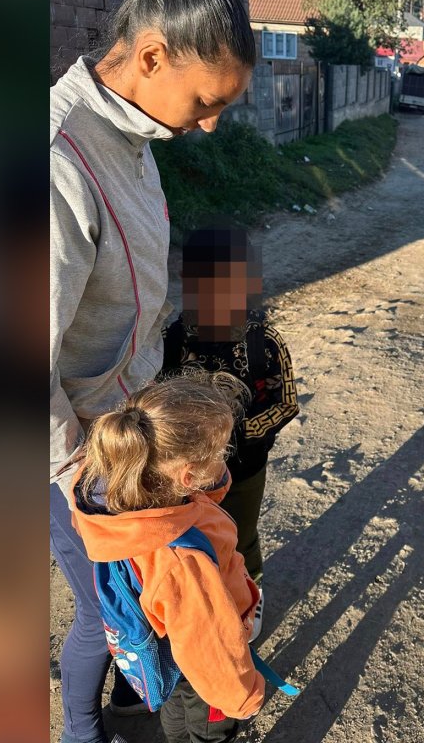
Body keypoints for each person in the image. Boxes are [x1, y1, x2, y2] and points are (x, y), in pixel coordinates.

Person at [49, 0, 255, 743]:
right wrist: (75, 475)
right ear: (150, 58)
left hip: (124, 430)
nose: (208, 125)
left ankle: (135, 704)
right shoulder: (60, 159)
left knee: (141, 599)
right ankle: (78, 731)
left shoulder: (130, 135)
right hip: (74, 450)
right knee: (109, 608)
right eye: (206, 103)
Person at [70, 372, 265, 743]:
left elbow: (200, 502)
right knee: (209, 729)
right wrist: (243, 696)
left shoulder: (123, 496)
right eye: (221, 451)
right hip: (202, 668)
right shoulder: (182, 564)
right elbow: (211, 650)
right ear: (188, 476)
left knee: (176, 709)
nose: (225, 457)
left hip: (168, 648)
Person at [161, 225, 299, 599]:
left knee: (241, 533)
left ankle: (248, 595)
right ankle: (202, 600)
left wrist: (239, 434)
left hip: (245, 468)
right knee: (190, 537)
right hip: (186, 475)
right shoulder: (170, 340)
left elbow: (286, 402)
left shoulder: (263, 341)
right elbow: (155, 400)